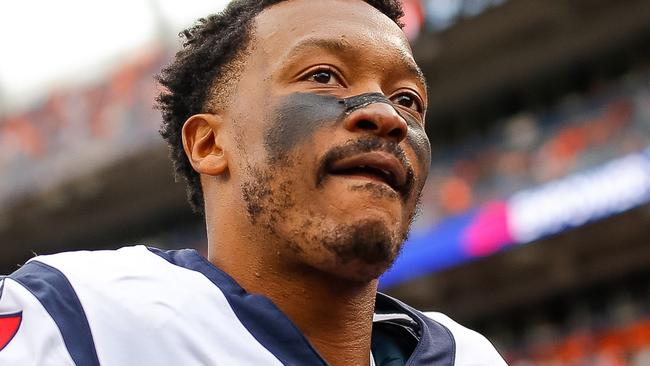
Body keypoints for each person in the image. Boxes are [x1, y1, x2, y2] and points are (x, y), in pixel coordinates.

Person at [0, 0, 506, 365]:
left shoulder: (468, 356)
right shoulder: (79, 315)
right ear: (209, 144)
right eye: (324, 76)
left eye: (409, 99)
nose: (387, 114)